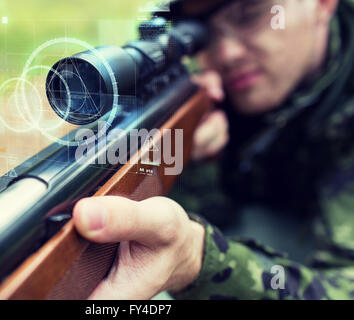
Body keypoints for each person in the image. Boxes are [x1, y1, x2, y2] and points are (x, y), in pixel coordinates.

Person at [72, 0, 354, 299]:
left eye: (251, 14)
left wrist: (199, 262)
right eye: (203, 30)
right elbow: (220, 212)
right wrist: (191, 163)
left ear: (323, 4)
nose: (226, 53)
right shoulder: (200, 80)